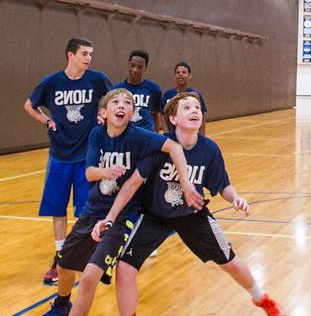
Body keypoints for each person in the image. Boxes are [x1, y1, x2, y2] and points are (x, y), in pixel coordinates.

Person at [92, 93, 286, 316]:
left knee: (229, 262)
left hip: (192, 215)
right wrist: (111, 217)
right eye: (187, 108)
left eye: (197, 108)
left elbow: (222, 185)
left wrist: (235, 198)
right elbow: (131, 185)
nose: (195, 111)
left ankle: (262, 299)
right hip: (155, 215)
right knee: (124, 268)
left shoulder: (209, 149)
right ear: (173, 119)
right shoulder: (160, 147)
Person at [44, 89, 202, 316]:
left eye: (127, 103)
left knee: (89, 278)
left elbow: (175, 147)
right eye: (116, 102)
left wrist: (186, 184)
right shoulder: (97, 135)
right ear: (103, 112)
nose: (121, 106)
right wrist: (106, 171)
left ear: (132, 113)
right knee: (63, 266)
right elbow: (89, 173)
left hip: (120, 218)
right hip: (91, 213)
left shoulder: (139, 136)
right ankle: (61, 305)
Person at [24, 37, 112, 285]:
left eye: (91, 54)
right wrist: (46, 121)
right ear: (70, 55)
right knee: (57, 208)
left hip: (87, 155)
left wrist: (102, 114)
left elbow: (114, 97)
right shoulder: (52, 82)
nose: (89, 58)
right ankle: (61, 256)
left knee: (87, 210)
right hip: (59, 155)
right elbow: (30, 105)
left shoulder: (96, 79)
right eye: (84, 53)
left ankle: (90, 256)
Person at [112, 50, 164, 132]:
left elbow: (156, 114)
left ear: (145, 68)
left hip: (146, 135)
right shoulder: (116, 89)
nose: (135, 70)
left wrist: (156, 136)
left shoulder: (154, 89)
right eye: (132, 65)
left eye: (140, 67)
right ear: (128, 65)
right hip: (124, 135)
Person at [161, 62, 208, 135]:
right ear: (175, 76)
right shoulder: (167, 95)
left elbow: (202, 116)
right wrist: (167, 133)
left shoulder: (195, 95)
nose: (180, 74)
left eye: (184, 72)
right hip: (173, 135)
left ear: (189, 75)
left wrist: (202, 136)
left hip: (190, 135)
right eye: (178, 72)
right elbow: (163, 116)